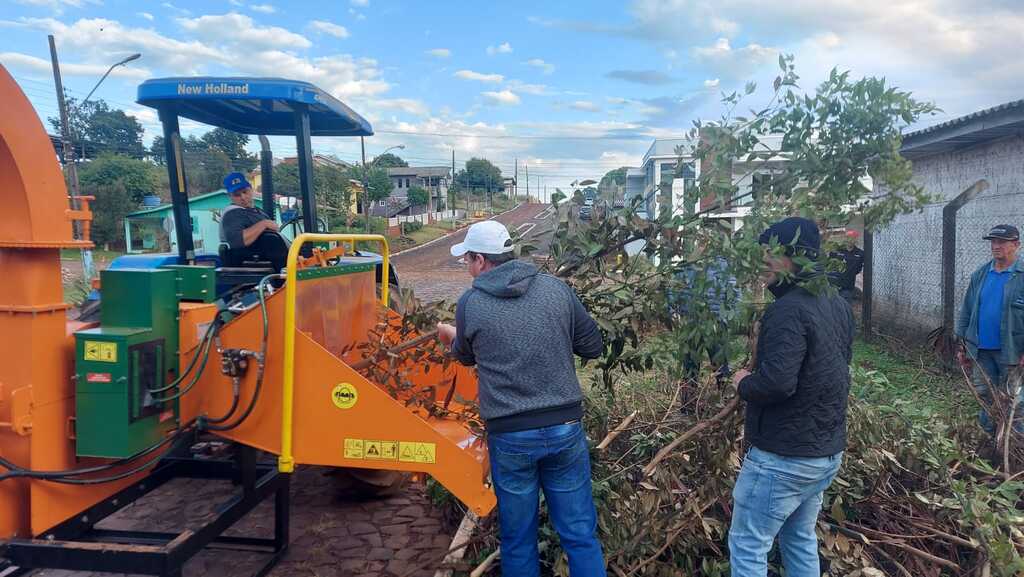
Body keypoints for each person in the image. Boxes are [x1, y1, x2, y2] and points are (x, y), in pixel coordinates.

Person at [436, 220, 607, 577]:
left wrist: (452, 337)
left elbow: (465, 357)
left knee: (517, 539)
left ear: (481, 260)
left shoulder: (472, 303)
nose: (467, 268)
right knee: (579, 535)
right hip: (564, 428)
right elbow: (593, 345)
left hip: (511, 436)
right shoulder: (556, 290)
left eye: (467, 260)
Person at [728, 217, 854, 577]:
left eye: (770, 254)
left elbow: (777, 384)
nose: (762, 262)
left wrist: (742, 382)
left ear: (793, 258)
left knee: (748, 544)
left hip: (783, 458)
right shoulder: (836, 302)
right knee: (798, 538)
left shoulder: (787, 310)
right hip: (823, 453)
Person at [954, 224, 1024, 435]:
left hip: (1012, 353)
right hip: (981, 352)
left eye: (1001, 242)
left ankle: (1014, 447)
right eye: (993, 242)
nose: (995, 246)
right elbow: (966, 311)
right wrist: (963, 344)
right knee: (986, 398)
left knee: (1015, 403)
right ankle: (988, 442)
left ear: (1016, 245)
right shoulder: (981, 275)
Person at [669, 256, 740, 382]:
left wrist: (729, 317)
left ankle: (725, 398)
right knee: (690, 369)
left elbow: (735, 293)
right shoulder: (686, 265)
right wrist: (673, 313)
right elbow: (672, 291)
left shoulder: (723, 265)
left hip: (716, 324)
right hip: (690, 325)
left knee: (721, 367)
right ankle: (689, 400)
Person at [219, 172, 289, 271]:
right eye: (237, 195)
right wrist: (264, 224)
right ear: (230, 196)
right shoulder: (232, 214)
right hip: (254, 265)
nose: (243, 197)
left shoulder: (258, 212)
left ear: (251, 189)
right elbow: (239, 241)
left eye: (245, 192)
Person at [829, 230, 864, 303]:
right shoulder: (837, 251)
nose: (850, 240)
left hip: (847, 287)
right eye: (848, 238)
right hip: (833, 286)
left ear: (856, 240)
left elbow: (858, 269)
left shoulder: (860, 254)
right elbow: (829, 265)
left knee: (845, 307)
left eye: (853, 238)